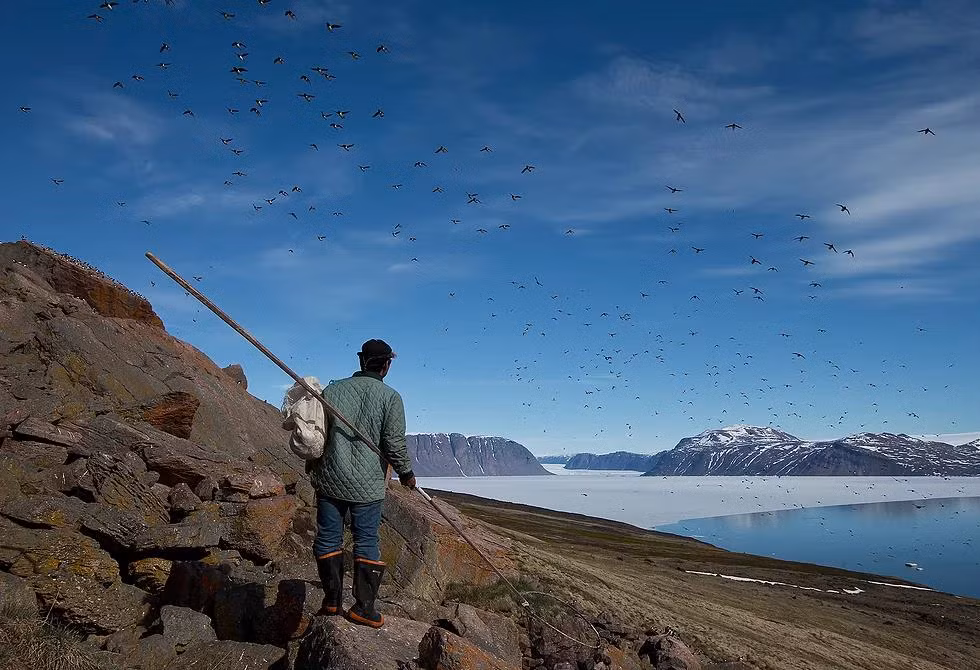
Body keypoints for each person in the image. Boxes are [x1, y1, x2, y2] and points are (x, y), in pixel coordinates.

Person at [308, 338, 416, 628]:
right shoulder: (391, 398)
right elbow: (393, 443)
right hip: (367, 486)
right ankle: (363, 609)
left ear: (360, 361)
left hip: (330, 478)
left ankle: (331, 603)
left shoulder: (332, 390)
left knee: (328, 537)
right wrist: (406, 473)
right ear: (387, 365)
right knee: (366, 540)